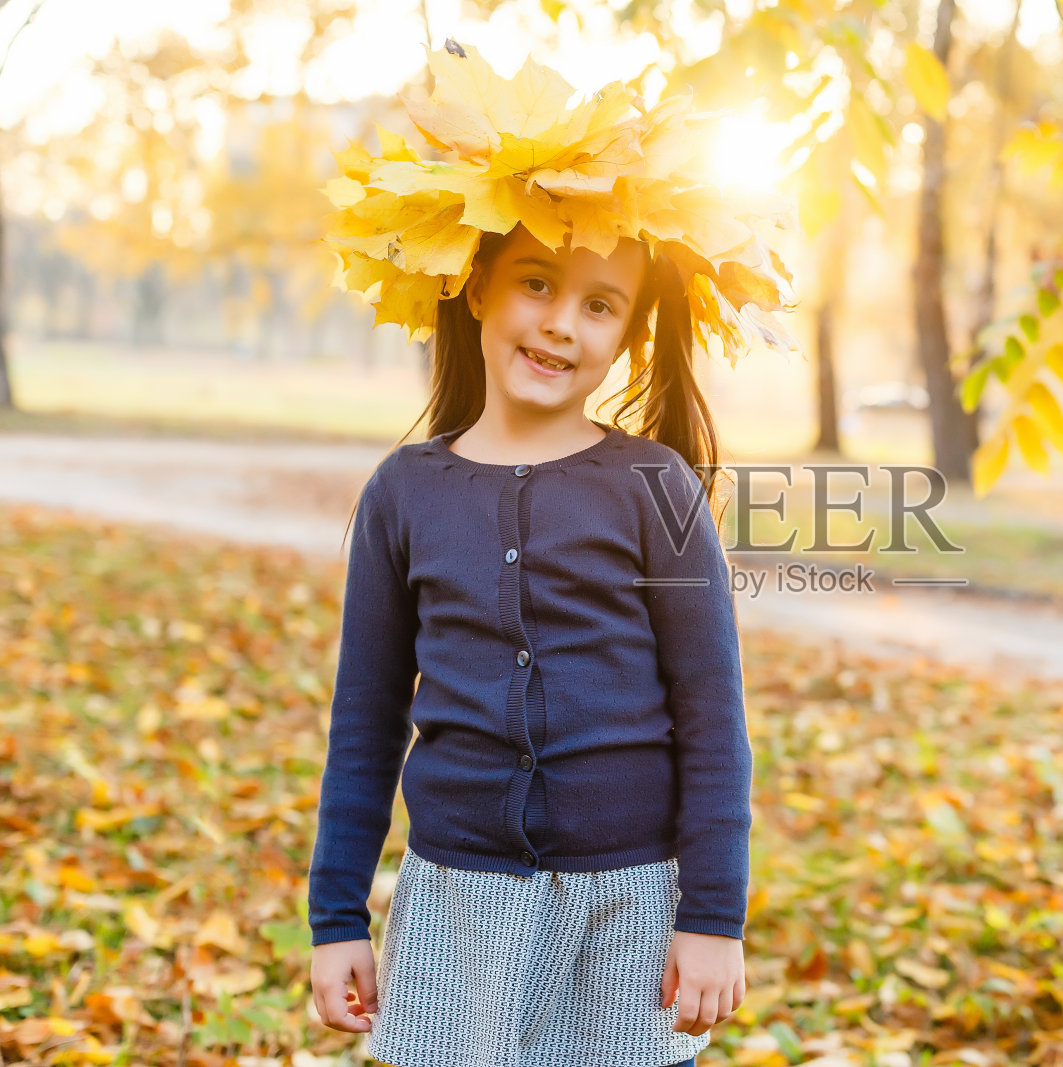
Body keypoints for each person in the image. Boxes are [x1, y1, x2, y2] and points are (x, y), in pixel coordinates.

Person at [303, 40, 799, 1067]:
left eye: (599, 303)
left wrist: (713, 914)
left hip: (628, 902)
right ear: (477, 286)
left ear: (626, 335)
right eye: (537, 281)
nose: (562, 323)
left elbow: (713, 715)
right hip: (458, 897)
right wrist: (336, 915)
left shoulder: (653, 487)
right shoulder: (405, 492)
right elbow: (364, 720)